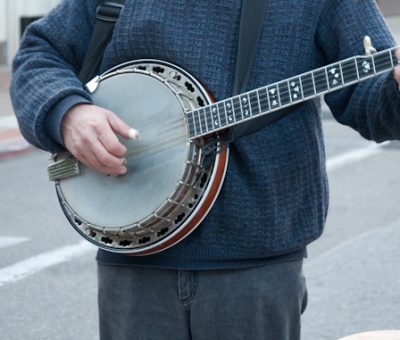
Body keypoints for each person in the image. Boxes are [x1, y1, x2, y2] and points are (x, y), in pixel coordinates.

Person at [9, 0, 400, 339]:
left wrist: (395, 88)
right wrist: (68, 113)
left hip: (256, 265)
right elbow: (40, 55)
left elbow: (373, 100)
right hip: (132, 259)